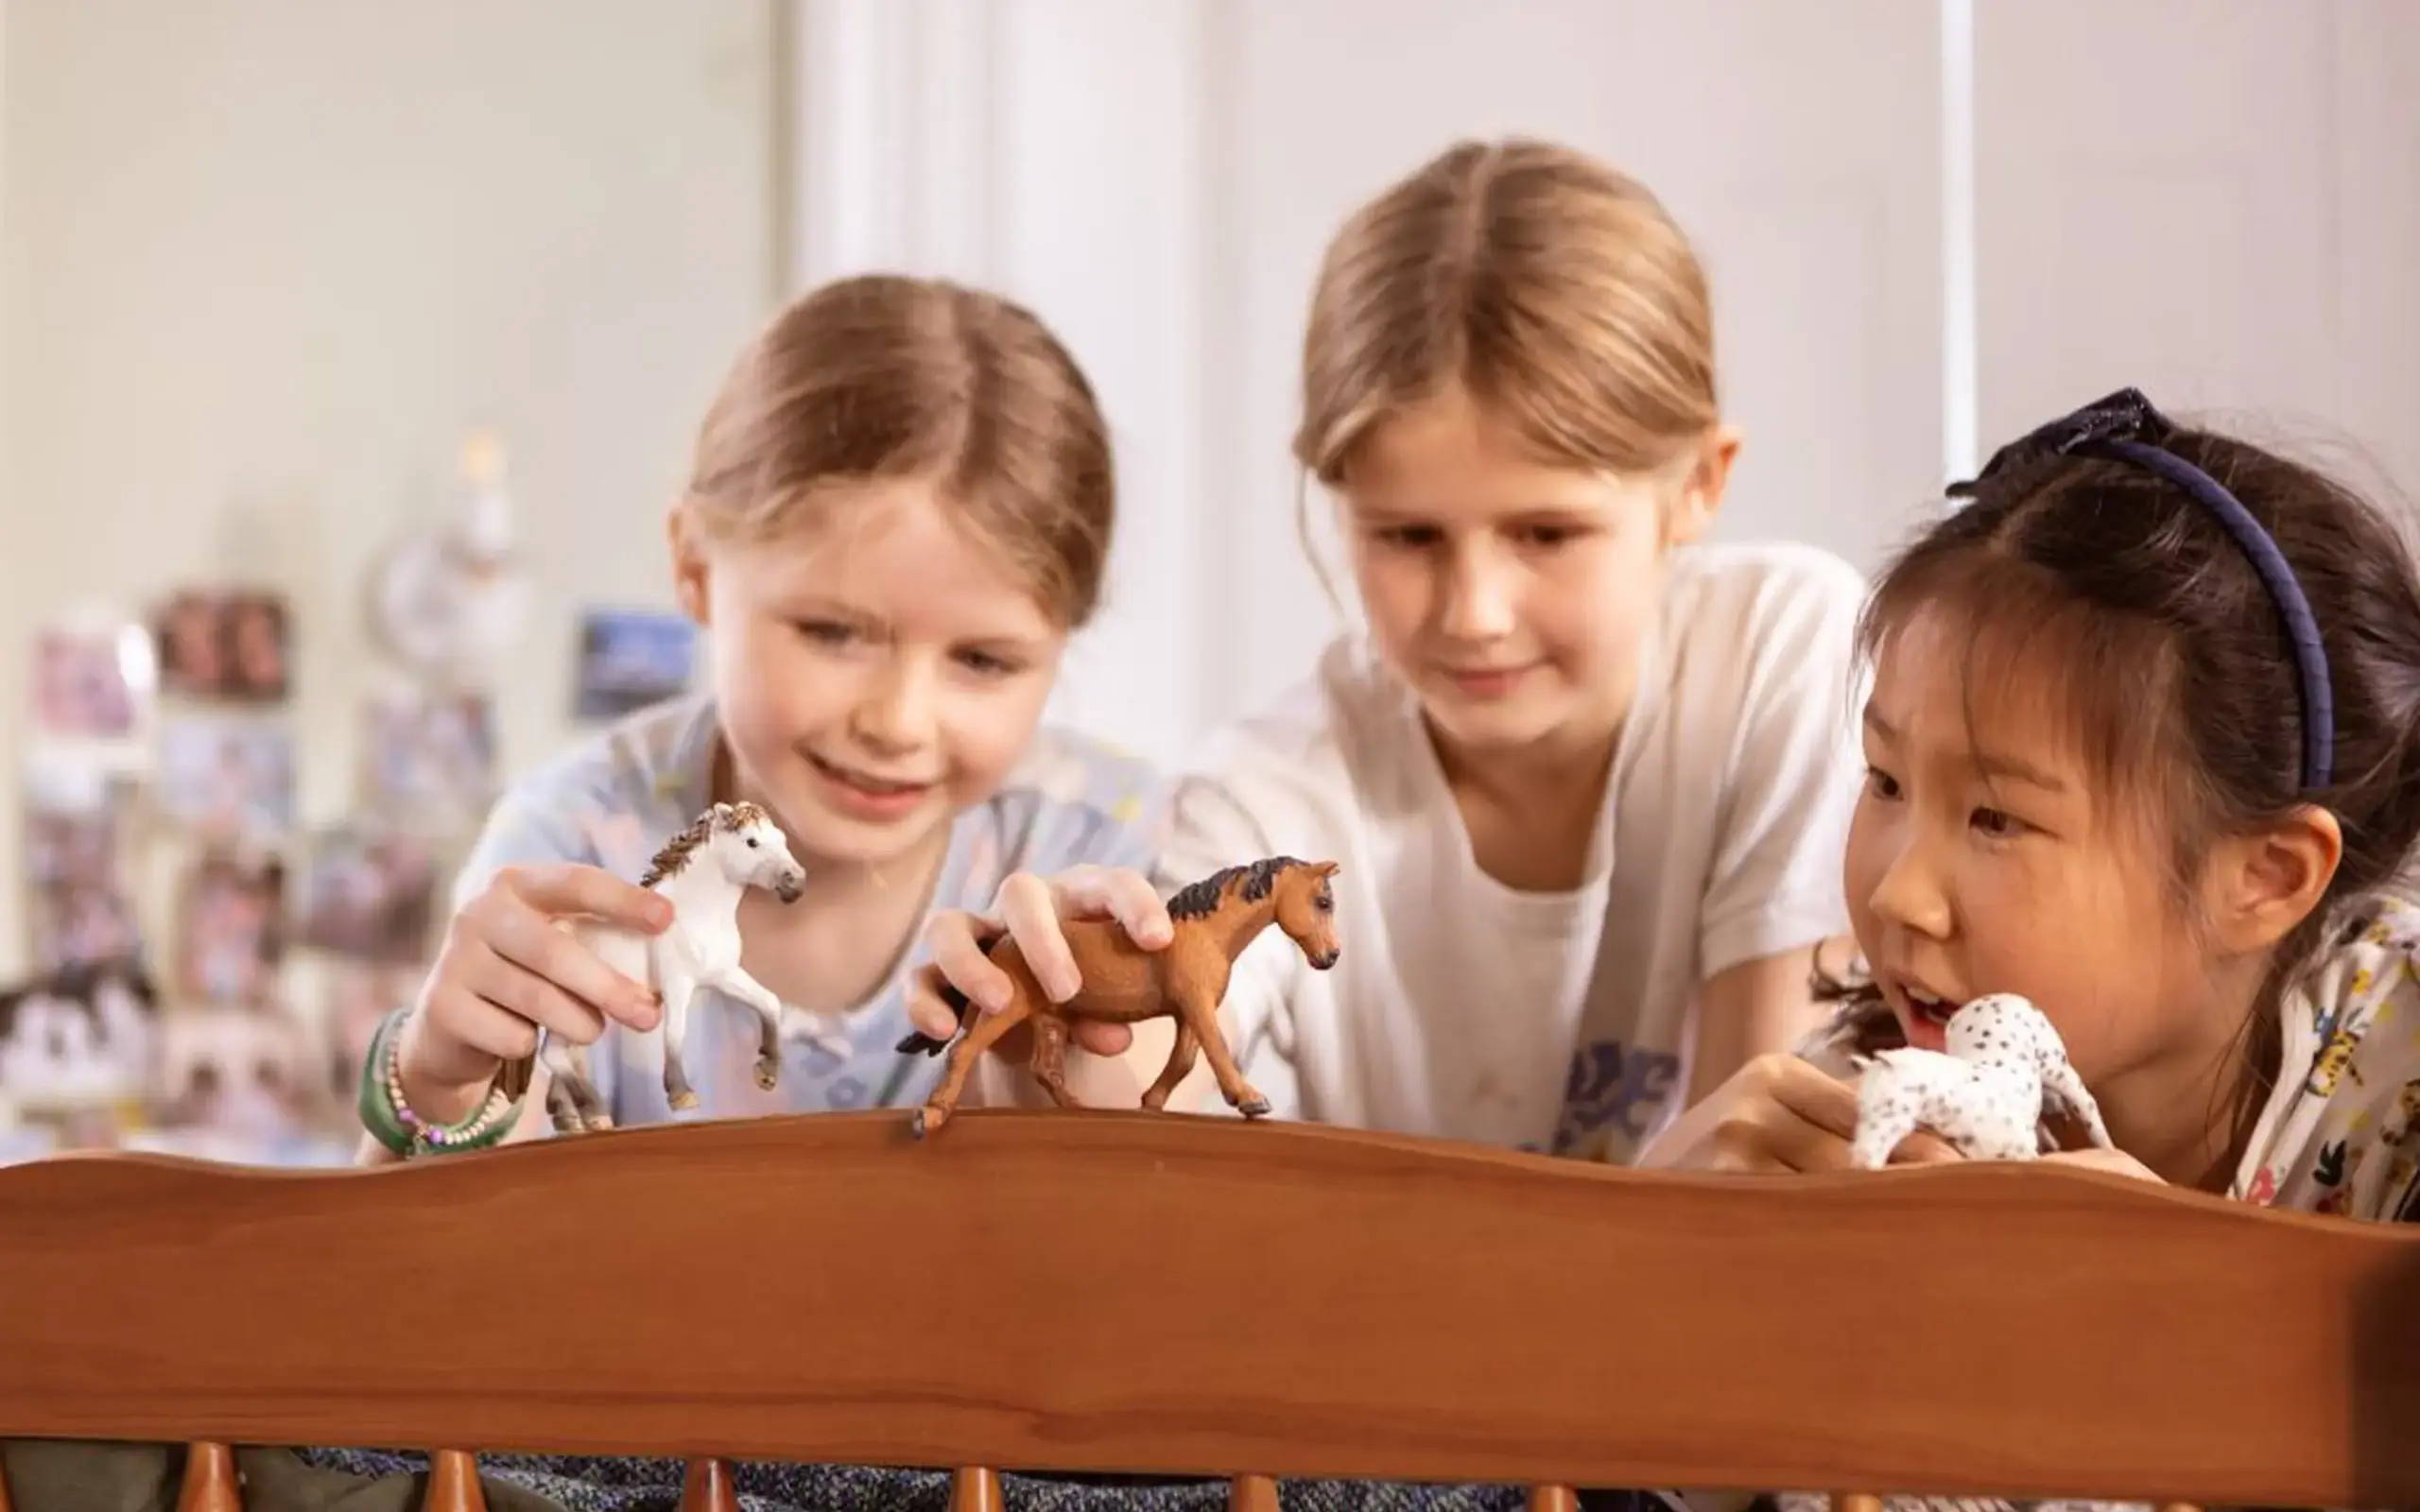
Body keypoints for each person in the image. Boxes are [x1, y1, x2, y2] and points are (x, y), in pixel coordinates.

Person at [910, 137, 1874, 1163]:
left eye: (1546, 534)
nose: (1474, 611)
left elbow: (1759, 1167)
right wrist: (1053, 1005)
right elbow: (1138, 1129)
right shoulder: (1263, 796)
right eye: (1407, 536)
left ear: (1699, 485)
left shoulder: (1781, 651)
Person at [354, 273, 1163, 1162]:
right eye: (832, 632)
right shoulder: (573, 850)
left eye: (981, 661)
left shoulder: (1112, 855)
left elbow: (1164, 1224)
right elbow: (409, 1264)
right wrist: (436, 1082)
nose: (898, 723)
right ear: (694, 566)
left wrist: (1091, 1037)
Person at [1637, 387, 2420, 1230]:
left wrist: (2191, 1287)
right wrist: (1654, 1234)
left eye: (1995, 820)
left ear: (2265, 877)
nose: (1897, 896)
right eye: (1885, 779)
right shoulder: (1855, 1106)